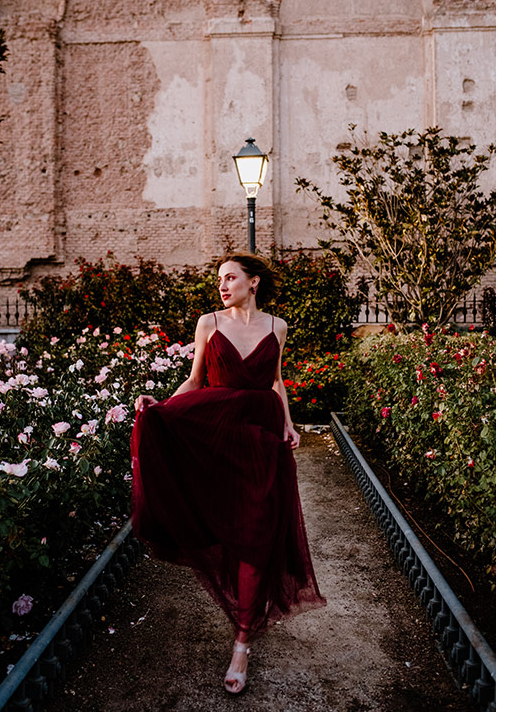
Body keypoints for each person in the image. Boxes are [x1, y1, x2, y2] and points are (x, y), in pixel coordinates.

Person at [131, 252, 326, 695]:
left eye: (230, 277)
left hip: (261, 440)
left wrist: (290, 424)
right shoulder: (209, 323)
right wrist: (160, 405)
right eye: (219, 279)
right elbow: (195, 381)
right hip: (216, 441)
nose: (222, 285)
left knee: (258, 532)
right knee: (225, 529)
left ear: (253, 282)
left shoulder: (277, 326)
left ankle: (241, 642)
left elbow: (276, 381)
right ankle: (242, 620)